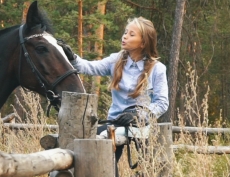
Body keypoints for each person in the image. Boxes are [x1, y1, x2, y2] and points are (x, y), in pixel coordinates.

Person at [60, 17, 169, 160]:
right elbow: (89, 67)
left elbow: (162, 103)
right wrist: (71, 56)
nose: (125, 36)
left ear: (143, 43)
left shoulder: (157, 68)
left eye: (131, 34)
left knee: (151, 169)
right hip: (114, 123)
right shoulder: (116, 60)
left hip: (142, 127)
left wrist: (140, 115)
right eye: (125, 32)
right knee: (100, 156)